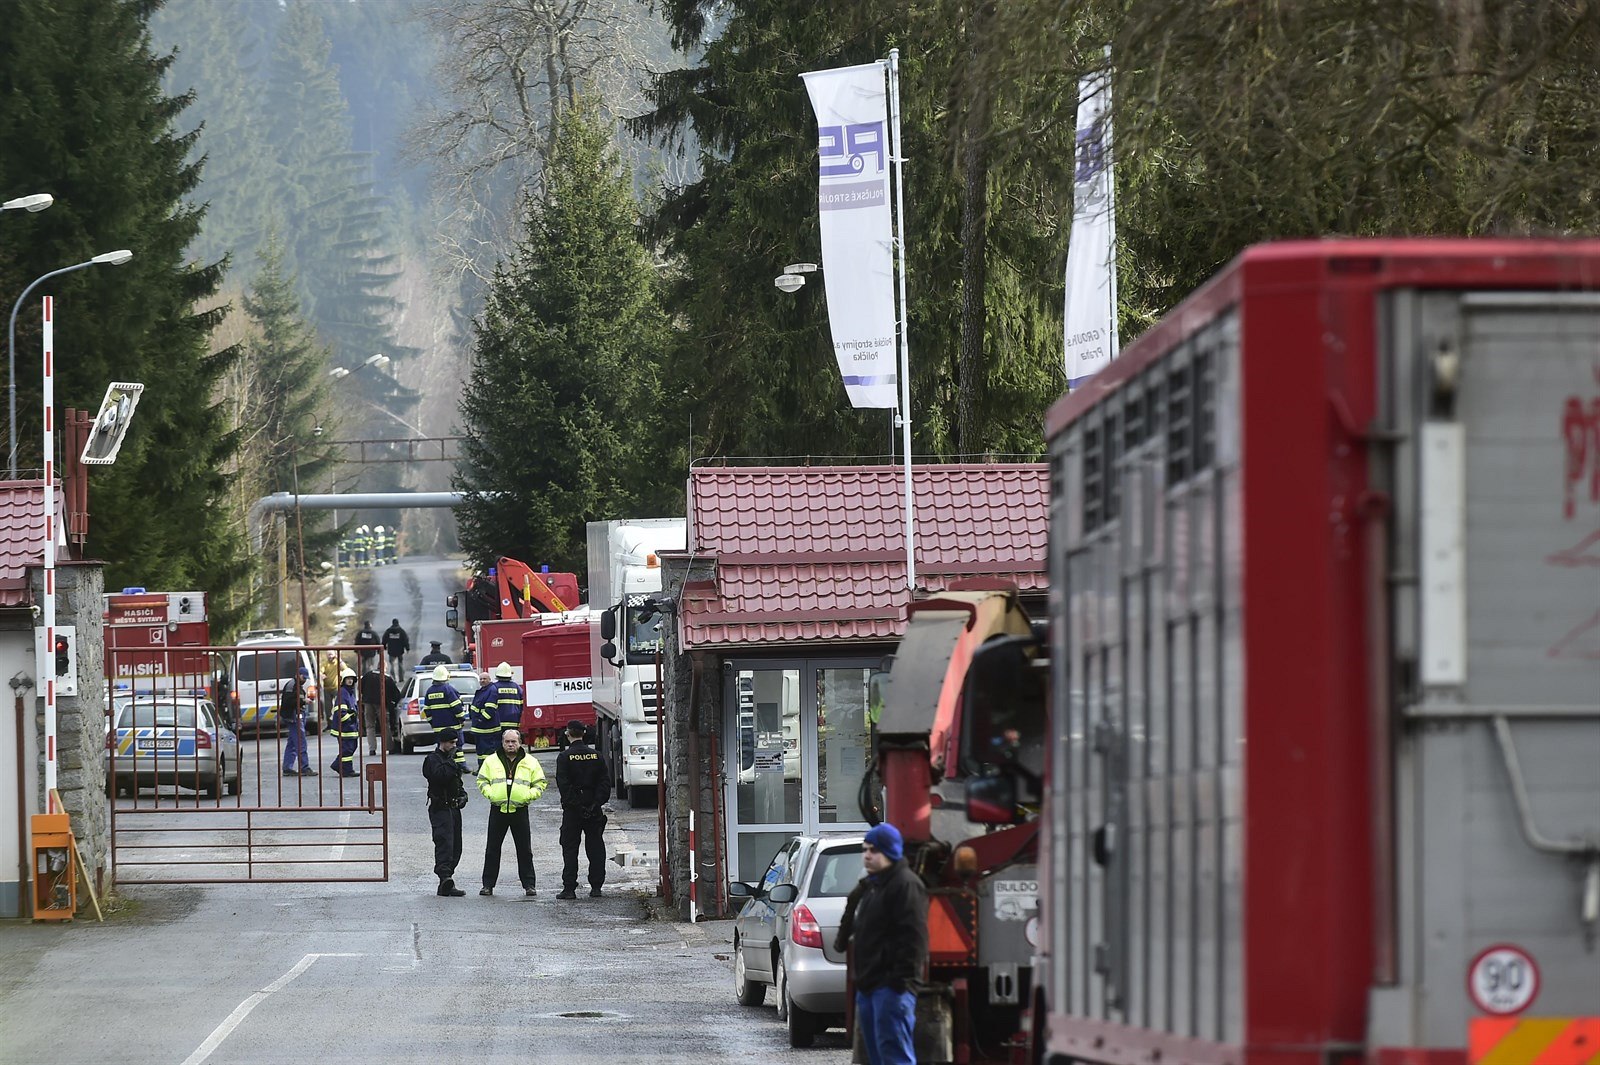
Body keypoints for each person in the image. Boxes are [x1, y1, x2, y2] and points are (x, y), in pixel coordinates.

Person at [834, 822, 927, 1065]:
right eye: (865, 849)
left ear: (890, 851)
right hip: (870, 987)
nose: (866, 855)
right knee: (877, 1056)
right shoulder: (872, 887)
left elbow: (914, 939)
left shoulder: (905, 885)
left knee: (895, 1055)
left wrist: (900, 984)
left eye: (873, 850)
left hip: (891, 990)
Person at [475, 727, 547, 897]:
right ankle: (487, 885)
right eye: (507, 741)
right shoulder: (491, 761)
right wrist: (491, 794)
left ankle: (529, 885)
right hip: (498, 809)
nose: (510, 744)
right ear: (502, 743)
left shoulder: (530, 762)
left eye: (513, 741)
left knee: (524, 850)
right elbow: (482, 781)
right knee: (492, 849)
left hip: (520, 810)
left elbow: (540, 783)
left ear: (520, 743)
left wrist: (528, 796)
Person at [554, 719, 611, 899]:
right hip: (594, 808)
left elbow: (564, 786)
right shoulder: (596, 756)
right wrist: (595, 804)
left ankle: (569, 888)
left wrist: (577, 806)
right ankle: (596, 886)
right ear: (584, 734)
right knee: (596, 847)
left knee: (570, 848)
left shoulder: (564, 757)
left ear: (567, 734)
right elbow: (604, 783)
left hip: (573, 811)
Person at [424, 729, 468, 897]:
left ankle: (448, 879)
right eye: (451, 743)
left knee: (456, 846)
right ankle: (444, 878)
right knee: (444, 844)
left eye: (455, 742)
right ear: (442, 742)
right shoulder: (432, 760)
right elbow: (440, 776)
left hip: (453, 808)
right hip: (440, 808)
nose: (454, 746)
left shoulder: (451, 760)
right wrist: (451, 761)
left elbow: (457, 781)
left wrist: (463, 795)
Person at [423, 664, 467, 772]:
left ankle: (442, 764)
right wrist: (462, 719)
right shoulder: (449, 689)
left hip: (438, 727)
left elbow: (427, 710)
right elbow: (457, 707)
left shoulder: (429, 691)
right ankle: (460, 765)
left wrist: (432, 723)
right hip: (453, 726)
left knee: (442, 747)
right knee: (457, 745)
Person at [279, 666, 315, 776]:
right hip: (293, 716)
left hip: (295, 715)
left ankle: (287, 767)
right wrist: (303, 701)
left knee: (292, 743)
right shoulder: (292, 685)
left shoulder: (297, 685)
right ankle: (304, 767)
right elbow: (288, 702)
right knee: (300, 741)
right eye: (303, 677)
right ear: (298, 675)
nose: (304, 680)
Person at [360, 667, 402, 755]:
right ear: (384, 668)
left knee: (370, 726)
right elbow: (396, 694)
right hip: (381, 704)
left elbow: (360, 687)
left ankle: (372, 749)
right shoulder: (387, 678)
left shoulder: (368, 675)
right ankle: (389, 747)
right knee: (385, 725)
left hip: (368, 703)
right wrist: (391, 703)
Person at [330, 668, 360, 777]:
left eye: (352, 679)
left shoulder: (350, 692)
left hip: (350, 727)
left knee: (351, 747)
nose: (350, 681)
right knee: (347, 749)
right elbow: (340, 711)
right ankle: (346, 769)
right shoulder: (343, 692)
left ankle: (339, 765)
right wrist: (349, 718)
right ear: (343, 680)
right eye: (348, 679)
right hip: (345, 728)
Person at [466, 671, 499, 769]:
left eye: (484, 679)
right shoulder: (482, 691)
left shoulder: (492, 690)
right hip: (480, 728)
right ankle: (481, 768)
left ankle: (488, 769)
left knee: (487, 751)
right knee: (480, 751)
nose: (482, 681)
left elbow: (490, 709)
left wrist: (481, 720)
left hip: (487, 728)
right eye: (481, 679)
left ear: (489, 680)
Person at [487, 662, 525, 742]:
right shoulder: (517, 688)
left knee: (500, 745)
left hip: (498, 724)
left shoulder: (494, 687)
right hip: (514, 723)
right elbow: (522, 706)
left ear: (497, 675)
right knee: (512, 745)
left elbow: (490, 707)